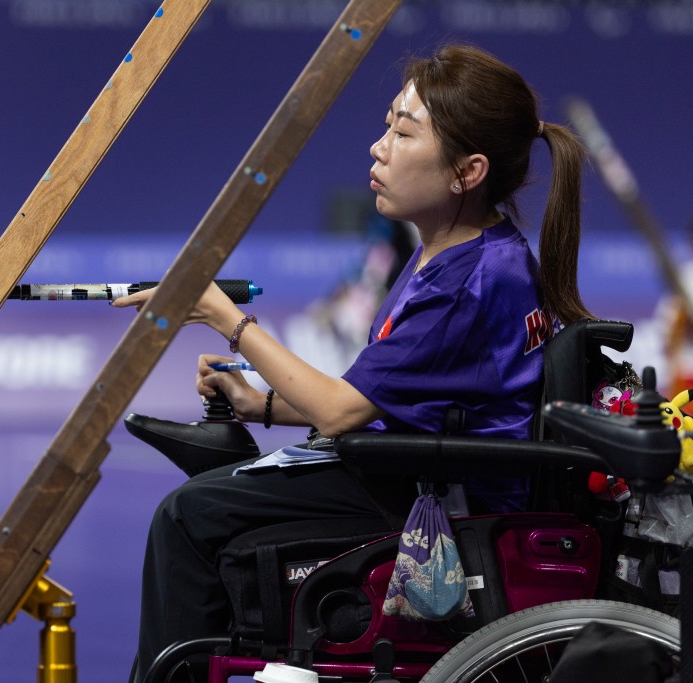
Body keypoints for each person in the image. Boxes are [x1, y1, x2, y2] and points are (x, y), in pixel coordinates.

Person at [112, 44, 592, 681]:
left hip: (440, 500)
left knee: (189, 516)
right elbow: (392, 399)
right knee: (215, 502)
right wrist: (264, 404)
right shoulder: (455, 254)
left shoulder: (467, 280)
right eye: (387, 123)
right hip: (413, 466)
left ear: (466, 172)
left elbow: (341, 411)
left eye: (403, 131)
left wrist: (226, 318)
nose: (378, 147)